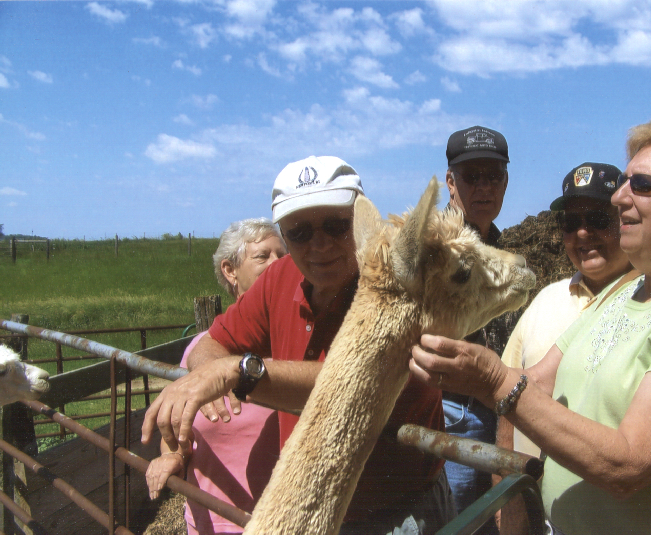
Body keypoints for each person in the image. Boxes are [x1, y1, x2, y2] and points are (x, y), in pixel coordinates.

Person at [410, 117, 651, 534]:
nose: (619, 198)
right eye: (624, 185)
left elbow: (628, 462)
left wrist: (491, 380)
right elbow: (534, 382)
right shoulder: (626, 293)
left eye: (641, 185)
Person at [142, 156, 453, 534]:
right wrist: (210, 369)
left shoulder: (402, 282)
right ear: (285, 236)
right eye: (300, 233)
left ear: (361, 219)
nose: (319, 245)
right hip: (311, 508)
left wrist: (236, 373)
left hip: (395, 512)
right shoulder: (280, 277)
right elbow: (216, 341)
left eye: (337, 226)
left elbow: (359, 382)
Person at [494, 162, 631, 533]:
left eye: (598, 219)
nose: (583, 232)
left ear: (626, 220)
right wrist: (506, 502)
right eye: (570, 223)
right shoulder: (544, 301)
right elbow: (508, 400)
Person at [145, 218, 287, 535]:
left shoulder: (297, 344)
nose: (280, 265)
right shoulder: (200, 352)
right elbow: (180, 431)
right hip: (214, 521)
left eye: (284, 255)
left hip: (288, 523)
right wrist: (171, 456)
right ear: (230, 270)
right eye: (263, 256)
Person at [442, 125, 515, 533]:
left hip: (503, 410)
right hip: (453, 412)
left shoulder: (503, 248)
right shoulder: (436, 247)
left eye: (494, 176)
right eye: (473, 176)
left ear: (506, 182)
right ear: (451, 182)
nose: (484, 187)